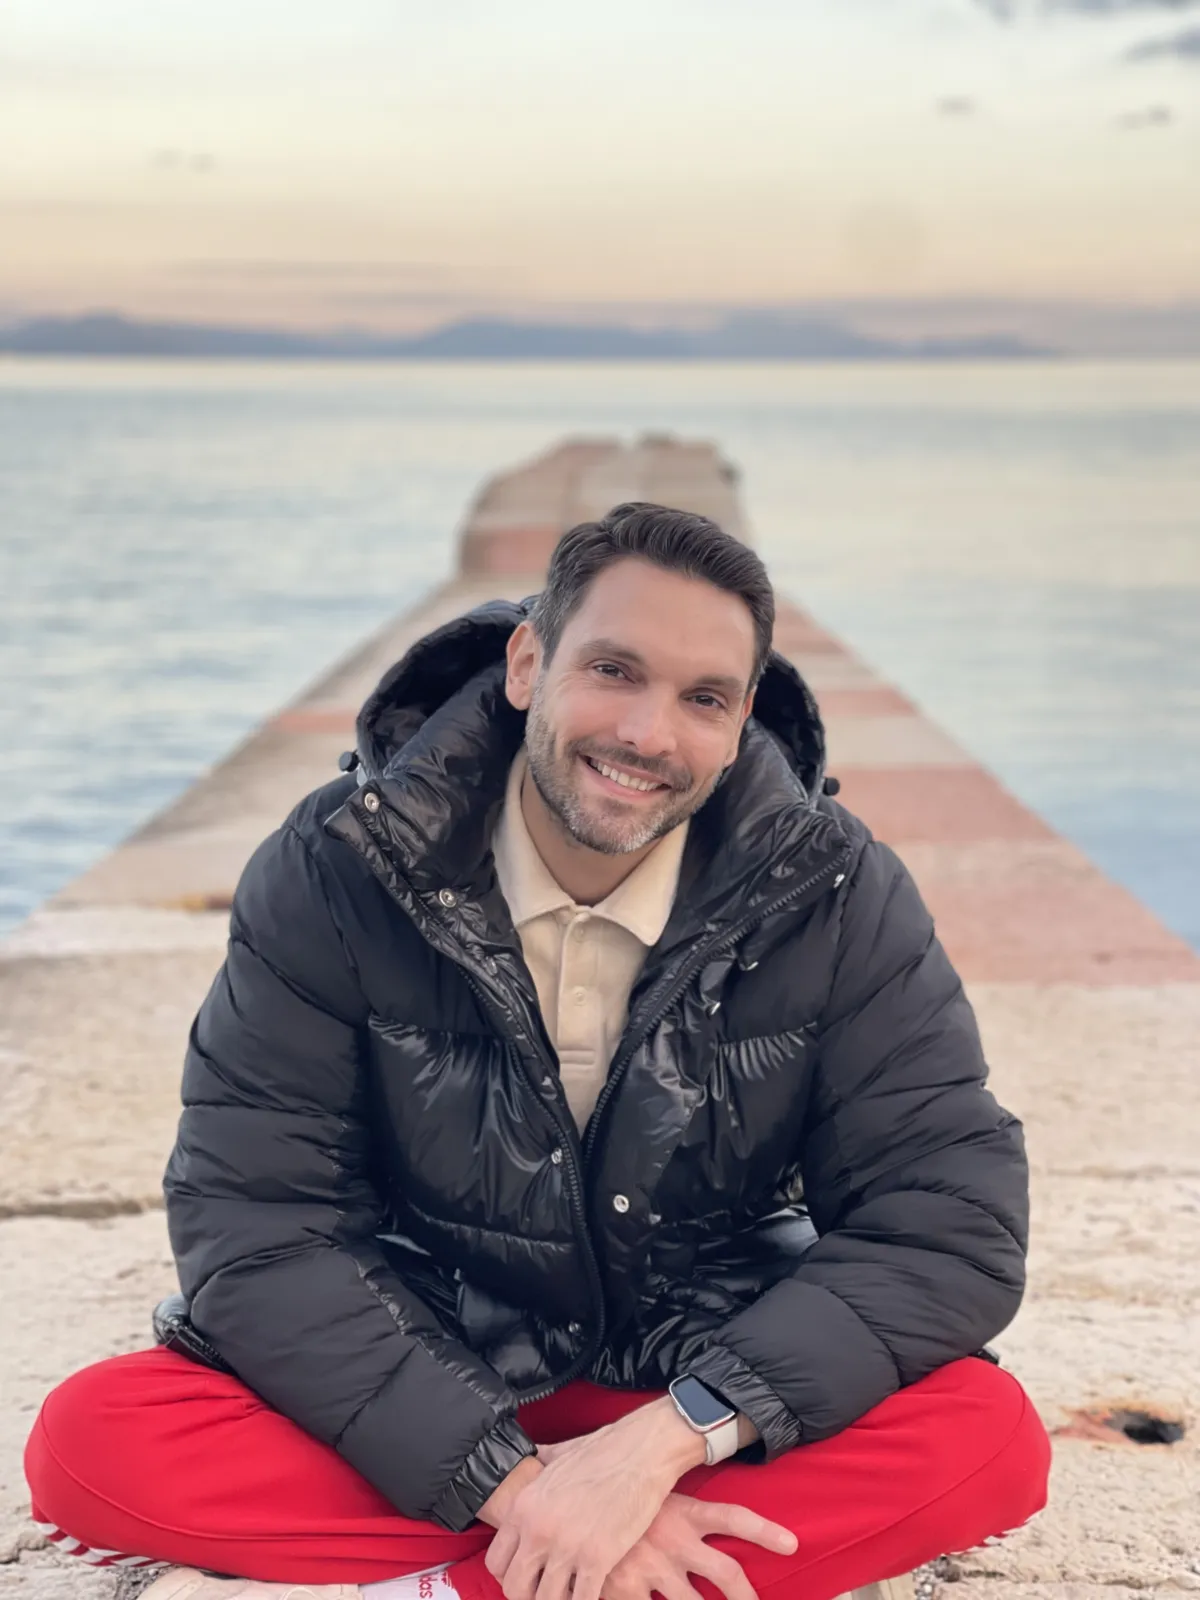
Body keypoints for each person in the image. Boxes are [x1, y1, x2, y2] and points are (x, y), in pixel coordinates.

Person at [26, 504, 1049, 1600]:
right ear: (527, 664)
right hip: (426, 1353)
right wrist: (511, 1487)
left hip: (689, 1367)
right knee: (96, 1438)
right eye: (614, 670)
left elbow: (948, 1219)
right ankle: (605, 1567)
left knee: (985, 1436)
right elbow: (260, 1221)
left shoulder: (835, 886)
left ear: (743, 717)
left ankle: (461, 1582)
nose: (650, 734)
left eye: (704, 698)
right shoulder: (340, 862)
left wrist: (664, 1445)